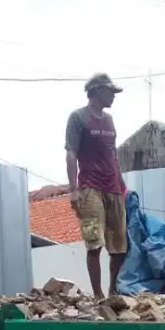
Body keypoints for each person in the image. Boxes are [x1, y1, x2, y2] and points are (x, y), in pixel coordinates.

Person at [65, 73, 128, 299]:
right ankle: (99, 295)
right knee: (94, 244)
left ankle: (113, 291)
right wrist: (73, 189)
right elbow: (71, 153)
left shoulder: (109, 120)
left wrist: (123, 187)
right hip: (90, 188)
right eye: (110, 91)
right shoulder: (78, 118)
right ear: (97, 91)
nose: (113, 96)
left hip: (113, 189)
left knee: (120, 247)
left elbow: (114, 155)